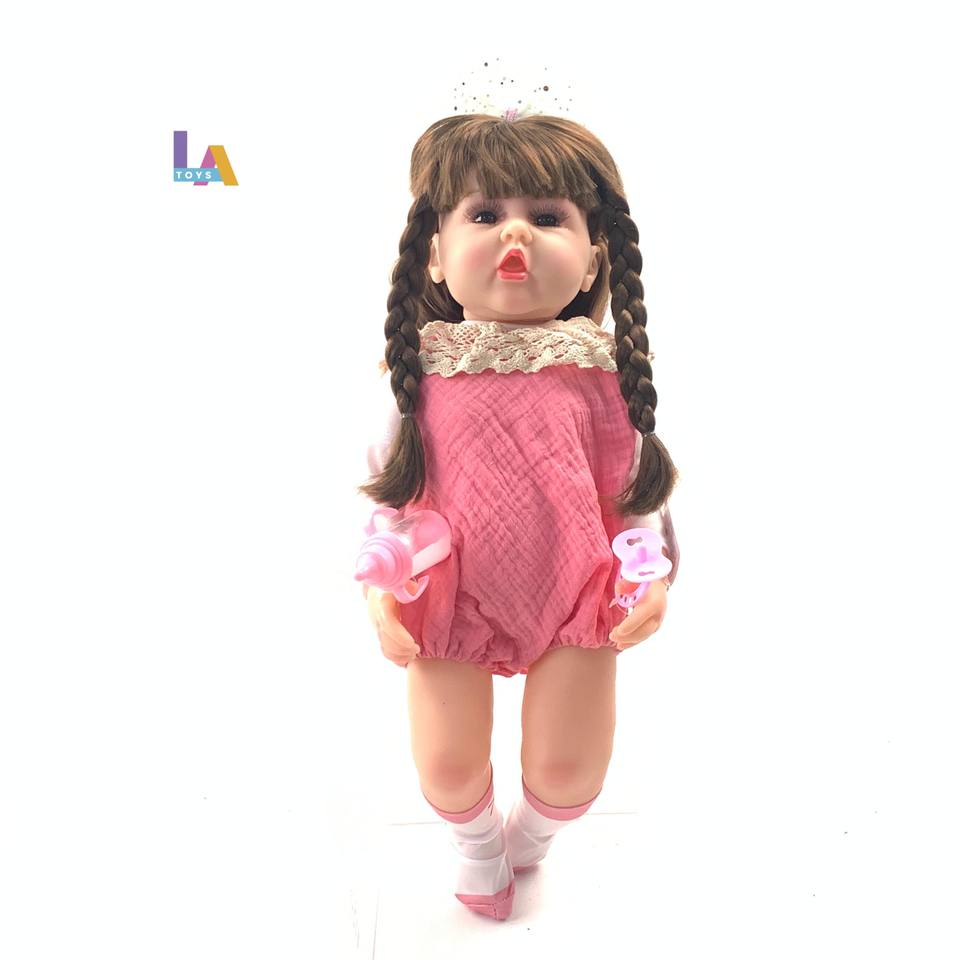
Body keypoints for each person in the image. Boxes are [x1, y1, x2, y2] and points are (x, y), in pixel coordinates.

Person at [357, 110, 681, 921]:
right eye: (484, 213)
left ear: (593, 256)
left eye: (546, 216)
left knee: (571, 770)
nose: (516, 233)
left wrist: (647, 572)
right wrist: (381, 587)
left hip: (576, 585)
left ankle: (530, 838)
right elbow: (390, 494)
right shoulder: (421, 377)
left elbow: (635, 490)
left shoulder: (603, 376)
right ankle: (478, 846)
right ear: (435, 250)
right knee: (447, 767)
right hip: (449, 588)